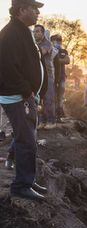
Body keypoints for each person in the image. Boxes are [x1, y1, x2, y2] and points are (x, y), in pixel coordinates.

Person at [0, 0, 48, 201]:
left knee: (29, 139)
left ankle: (28, 179)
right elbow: (7, 67)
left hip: (25, 96)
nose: (37, 12)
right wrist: (27, 91)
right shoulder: (10, 33)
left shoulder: (22, 30)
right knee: (25, 140)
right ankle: (21, 185)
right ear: (21, 10)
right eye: (33, 9)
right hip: (17, 97)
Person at [34, 24, 57, 130]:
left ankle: (51, 121)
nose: (35, 33)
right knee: (39, 99)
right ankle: (42, 121)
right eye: (34, 31)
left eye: (38, 31)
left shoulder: (47, 43)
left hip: (48, 75)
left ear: (43, 33)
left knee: (49, 99)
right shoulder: (34, 44)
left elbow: (41, 53)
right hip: (39, 75)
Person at [51, 34, 70, 123]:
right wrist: (60, 60)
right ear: (52, 41)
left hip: (62, 77)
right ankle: (53, 115)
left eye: (59, 40)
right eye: (55, 40)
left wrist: (57, 60)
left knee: (61, 95)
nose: (58, 42)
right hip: (52, 77)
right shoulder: (51, 50)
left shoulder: (63, 51)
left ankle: (60, 112)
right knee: (53, 96)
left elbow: (67, 60)